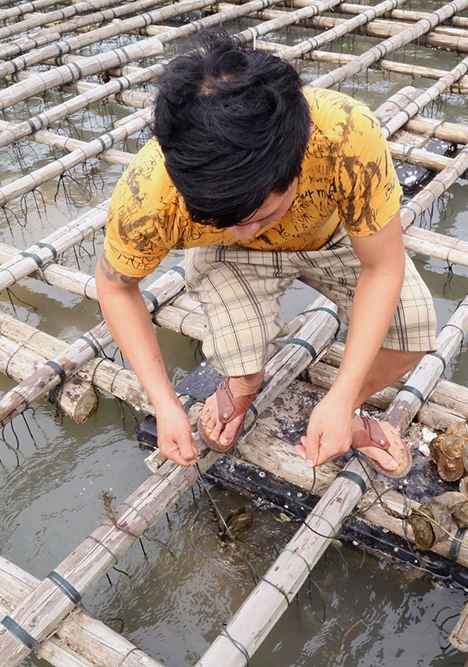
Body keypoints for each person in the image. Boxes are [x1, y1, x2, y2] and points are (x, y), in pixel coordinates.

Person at [96, 33, 436, 477]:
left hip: (330, 238)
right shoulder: (148, 194)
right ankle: (244, 383)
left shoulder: (346, 135)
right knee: (238, 350)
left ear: (302, 152)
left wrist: (340, 397)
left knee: (412, 327)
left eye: (263, 213)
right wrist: (163, 401)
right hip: (228, 255)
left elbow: (382, 265)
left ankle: (345, 414)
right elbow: (116, 288)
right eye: (225, 215)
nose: (248, 228)